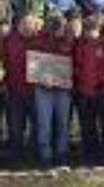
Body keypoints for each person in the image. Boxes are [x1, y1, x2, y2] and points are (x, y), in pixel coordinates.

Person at [30, 14, 76, 167]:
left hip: (62, 88)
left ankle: (62, 153)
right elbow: (34, 62)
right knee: (44, 123)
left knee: (63, 122)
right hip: (43, 87)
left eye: (62, 27)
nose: (60, 31)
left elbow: (74, 61)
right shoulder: (39, 39)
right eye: (57, 27)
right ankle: (46, 155)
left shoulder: (69, 40)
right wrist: (41, 78)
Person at [74, 14, 104, 165]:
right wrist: (79, 80)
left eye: (91, 30)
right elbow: (77, 66)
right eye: (86, 30)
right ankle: (90, 155)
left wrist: (102, 82)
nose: (88, 33)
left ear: (99, 29)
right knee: (88, 127)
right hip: (85, 92)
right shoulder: (80, 45)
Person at [1, 14, 38, 165]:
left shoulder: (39, 40)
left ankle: (33, 155)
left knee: (37, 125)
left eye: (31, 25)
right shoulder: (9, 40)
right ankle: (16, 157)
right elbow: (2, 62)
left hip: (36, 92)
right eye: (25, 24)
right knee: (16, 127)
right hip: (15, 91)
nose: (27, 27)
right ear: (19, 25)